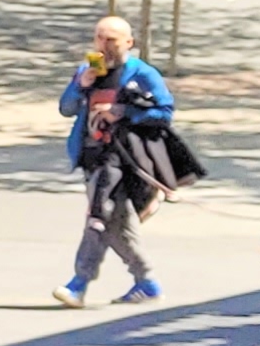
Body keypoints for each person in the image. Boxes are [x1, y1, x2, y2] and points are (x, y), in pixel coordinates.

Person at [53, 16, 173, 307]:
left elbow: (165, 112)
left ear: (128, 43)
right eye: (99, 38)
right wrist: (81, 85)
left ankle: (78, 283)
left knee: (98, 216)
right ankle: (147, 282)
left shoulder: (142, 73)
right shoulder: (87, 71)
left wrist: (123, 111)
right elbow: (66, 108)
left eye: (111, 40)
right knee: (117, 225)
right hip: (92, 157)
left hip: (123, 160)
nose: (104, 46)